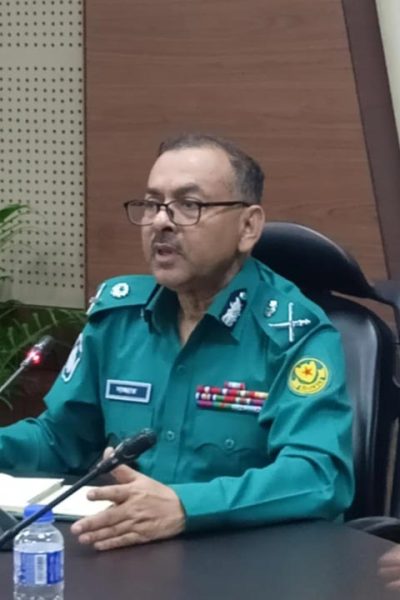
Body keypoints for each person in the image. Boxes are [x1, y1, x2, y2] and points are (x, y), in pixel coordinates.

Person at [0, 133, 354, 550]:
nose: (160, 222)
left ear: (248, 226)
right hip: (127, 554)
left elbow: (319, 476)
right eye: (152, 204)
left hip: (248, 559)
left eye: (189, 205)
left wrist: (187, 507)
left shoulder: (293, 334)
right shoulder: (118, 319)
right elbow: (59, 439)